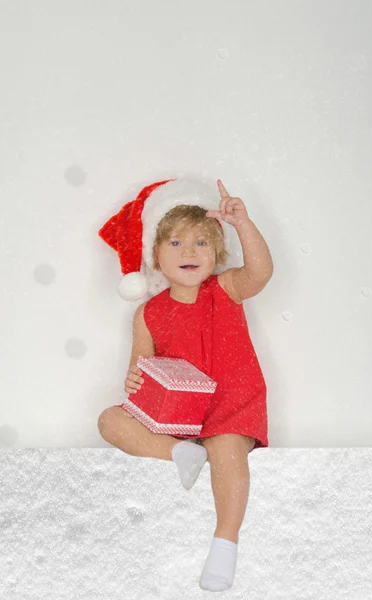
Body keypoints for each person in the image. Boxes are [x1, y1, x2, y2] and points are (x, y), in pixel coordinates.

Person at [97, 177, 274, 591]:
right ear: (155, 256)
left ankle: (225, 544)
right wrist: (134, 377)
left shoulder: (226, 288)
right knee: (109, 421)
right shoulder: (148, 313)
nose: (189, 252)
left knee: (227, 447)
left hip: (231, 406)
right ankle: (180, 453)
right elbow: (141, 369)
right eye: (175, 244)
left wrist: (243, 223)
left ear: (216, 254)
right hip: (180, 416)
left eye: (201, 243)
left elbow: (262, 272)